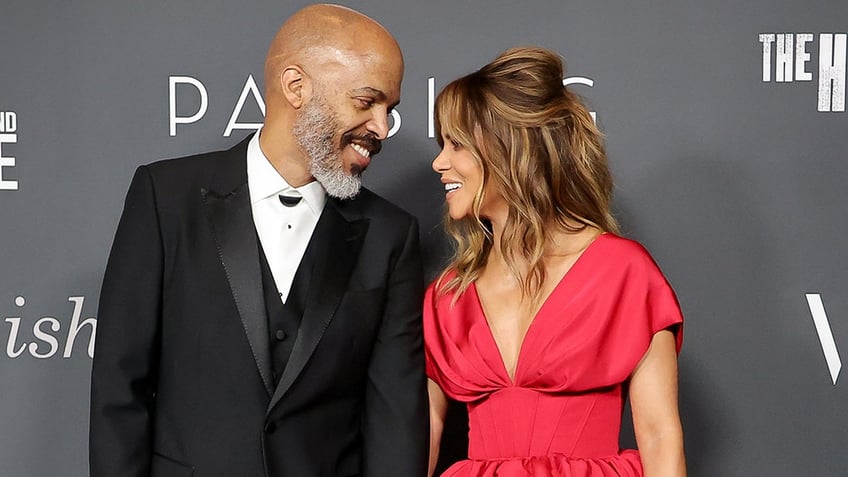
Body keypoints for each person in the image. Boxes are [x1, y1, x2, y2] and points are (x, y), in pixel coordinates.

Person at [89, 5, 428, 477]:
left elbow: (395, 416)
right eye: (366, 101)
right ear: (296, 86)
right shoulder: (165, 198)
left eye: (388, 109)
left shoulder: (390, 234)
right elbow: (118, 389)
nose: (382, 127)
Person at [425, 47, 686, 477]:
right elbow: (419, 441)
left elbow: (661, 439)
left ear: (508, 148)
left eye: (456, 144)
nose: (440, 162)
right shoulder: (447, 297)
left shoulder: (622, 272)